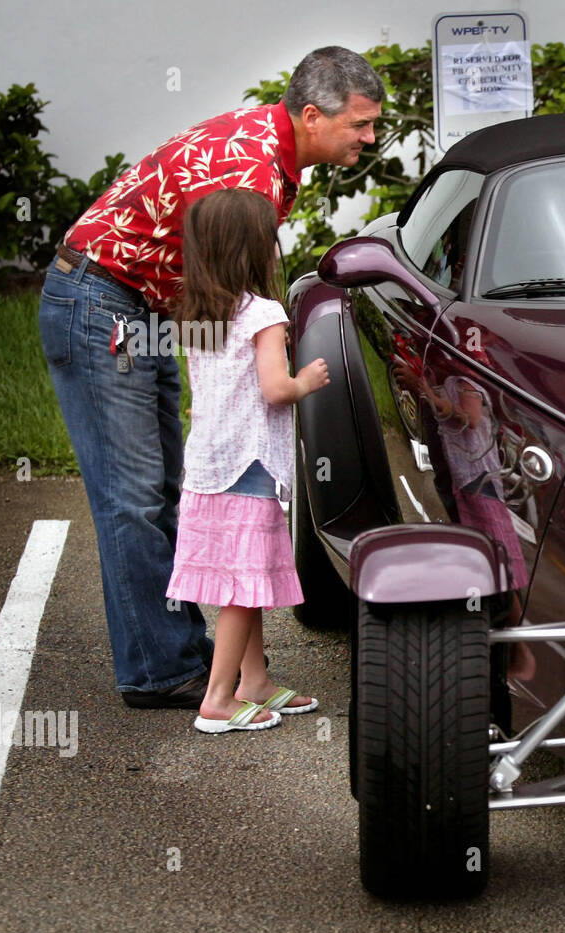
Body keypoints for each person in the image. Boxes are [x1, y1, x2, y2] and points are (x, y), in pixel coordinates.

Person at [39, 46, 383, 708]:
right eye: (361, 125)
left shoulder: (275, 151)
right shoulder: (251, 171)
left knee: (170, 487)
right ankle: (161, 670)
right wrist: (249, 395)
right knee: (135, 496)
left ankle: (192, 656)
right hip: (100, 302)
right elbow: (226, 316)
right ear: (313, 115)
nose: (370, 138)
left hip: (139, 304)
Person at [166, 188, 330, 732]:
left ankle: (252, 680)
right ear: (253, 249)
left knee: (242, 576)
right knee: (240, 585)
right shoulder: (264, 312)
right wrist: (307, 380)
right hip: (250, 464)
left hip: (211, 464)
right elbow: (274, 389)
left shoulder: (197, 314)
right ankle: (217, 699)